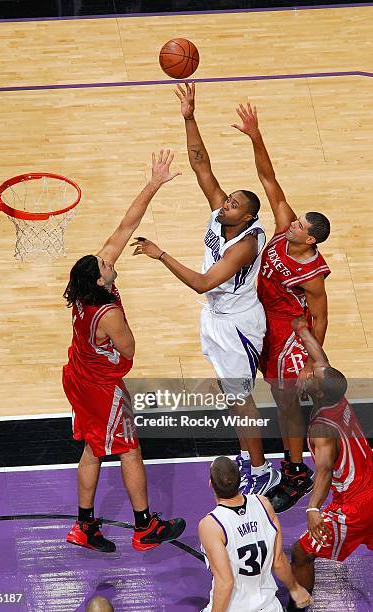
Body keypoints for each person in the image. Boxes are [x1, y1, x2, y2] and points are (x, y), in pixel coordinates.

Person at [131, 82, 280, 496]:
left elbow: (200, 283)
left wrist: (161, 254)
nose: (226, 202)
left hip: (236, 323)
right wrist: (189, 116)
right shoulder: (222, 215)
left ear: (249, 217)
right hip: (217, 316)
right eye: (228, 199)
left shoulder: (245, 245)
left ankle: (261, 468)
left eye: (234, 203)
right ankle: (250, 457)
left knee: (241, 400)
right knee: (234, 397)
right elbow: (201, 166)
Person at [62, 149, 186, 553]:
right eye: (105, 265)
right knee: (129, 448)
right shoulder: (108, 311)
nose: (109, 260)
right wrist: (117, 363)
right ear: (100, 281)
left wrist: (153, 183)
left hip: (77, 376)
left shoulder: (86, 287)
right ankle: (143, 527)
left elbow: (125, 224)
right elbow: (129, 350)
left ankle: (83, 526)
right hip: (101, 387)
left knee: (93, 448)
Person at [233, 102, 331, 512]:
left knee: (286, 399)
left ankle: (296, 470)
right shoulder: (283, 227)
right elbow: (268, 179)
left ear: (310, 240)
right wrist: (256, 136)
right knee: (277, 395)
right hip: (264, 322)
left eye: (299, 227)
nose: (291, 224)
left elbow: (321, 316)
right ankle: (294, 463)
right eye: (294, 222)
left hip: (290, 335)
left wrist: (313, 362)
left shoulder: (311, 272)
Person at [286, 316, 373, 611]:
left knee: (300, 552)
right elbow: (321, 359)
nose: (307, 370)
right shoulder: (336, 394)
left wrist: (313, 508)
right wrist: (301, 329)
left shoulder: (323, 428)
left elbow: (323, 471)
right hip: (369, 483)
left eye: (310, 375)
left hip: (356, 504)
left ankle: (299, 607)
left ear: (318, 393)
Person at [199, 456, 312, 611]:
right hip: (269, 607)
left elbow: (226, 583)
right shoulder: (264, 504)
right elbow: (278, 562)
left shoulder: (211, 525)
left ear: (211, 484)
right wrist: (295, 589)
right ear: (240, 481)